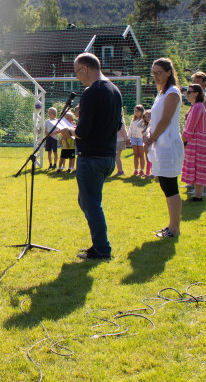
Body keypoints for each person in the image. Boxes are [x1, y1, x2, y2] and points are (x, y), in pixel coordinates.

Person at [72, 53, 122, 260]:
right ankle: (98, 247)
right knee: (90, 202)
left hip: (91, 156)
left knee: (90, 204)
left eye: (77, 72)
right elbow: (117, 124)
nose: (78, 78)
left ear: (85, 69)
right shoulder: (114, 90)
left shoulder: (91, 92)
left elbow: (83, 131)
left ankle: (102, 249)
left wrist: (72, 130)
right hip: (108, 156)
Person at [143, 58, 185, 239]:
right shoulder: (161, 93)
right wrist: (148, 132)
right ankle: (171, 226)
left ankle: (174, 229)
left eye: (159, 72)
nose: (156, 76)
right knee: (165, 185)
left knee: (170, 186)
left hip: (169, 145)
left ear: (169, 72)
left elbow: (166, 120)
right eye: (153, 73)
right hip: (161, 145)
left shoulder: (173, 92)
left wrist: (150, 138)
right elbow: (155, 119)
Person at [181, 84, 206, 202]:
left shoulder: (197, 107)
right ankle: (197, 195)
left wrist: (184, 136)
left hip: (196, 140)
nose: (187, 94)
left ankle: (198, 195)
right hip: (197, 139)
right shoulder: (196, 106)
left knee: (197, 166)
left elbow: (191, 124)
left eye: (190, 92)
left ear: (197, 93)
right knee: (197, 166)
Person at [189, 72, 206, 197]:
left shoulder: (205, 99)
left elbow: (202, 119)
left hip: (202, 132)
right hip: (196, 133)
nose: (195, 84)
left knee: (202, 161)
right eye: (194, 81)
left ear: (204, 82)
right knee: (195, 161)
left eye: (197, 81)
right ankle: (195, 185)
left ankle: (203, 187)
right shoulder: (197, 100)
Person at [129, 105, 147, 177]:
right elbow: (130, 128)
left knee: (141, 154)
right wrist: (128, 137)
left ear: (141, 112)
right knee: (136, 154)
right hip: (134, 138)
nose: (136, 113)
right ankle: (136, 169)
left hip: (141, 138)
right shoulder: (134, 120)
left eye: (137, 111)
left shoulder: (144, 120)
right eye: (135, 111)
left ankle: (142, 170)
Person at [114, 111, 129, 176]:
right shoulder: (115, 119)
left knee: (116, 155)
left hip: (120, 140)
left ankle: (120, 170)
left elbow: (124, 130)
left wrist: (126, 139)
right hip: (116, 139)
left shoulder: (120, 120)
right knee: (117, 155)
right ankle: (119, 170)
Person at [143, 110, 154, 179]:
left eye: (149, 117)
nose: (147, 118)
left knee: (152, 158)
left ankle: (153, 173)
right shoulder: (145, 125)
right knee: (147, 158)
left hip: (150, 144)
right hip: (145, 143)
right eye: (146, 117)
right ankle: (147, 173)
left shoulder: (152, 124)